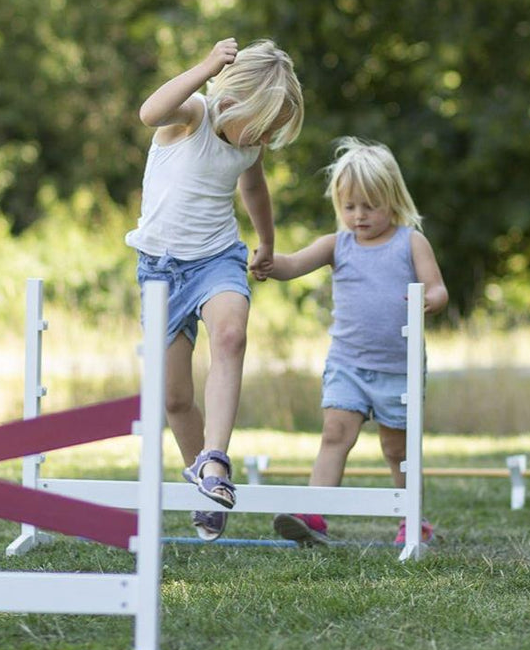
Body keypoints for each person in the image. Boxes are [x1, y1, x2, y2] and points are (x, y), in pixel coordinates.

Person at [126, 37, 304, 541]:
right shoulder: (194, 114)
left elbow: (253, 189)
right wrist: (204, 65)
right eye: (263, 121)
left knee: (230, 337)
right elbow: (148, 111)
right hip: (159, 270)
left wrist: (266, 242)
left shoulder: (250, 145)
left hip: (217, 259)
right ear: (234, 99)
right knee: (175, 399)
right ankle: (202, 485)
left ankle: (215, 461)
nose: (266, 135)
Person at [262, 136, 448, 547]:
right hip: (347, 363)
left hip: (397, 369)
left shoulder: (410, 242)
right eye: (350, 207)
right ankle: (313, 514)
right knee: (334, 433)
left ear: (392, 200)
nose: (359, 216)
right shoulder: (337, 244)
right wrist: (268, 263)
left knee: (395, 448)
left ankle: (412, 519)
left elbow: (437, 289)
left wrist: (427, 301)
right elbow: (292, 265)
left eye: (370, 206)